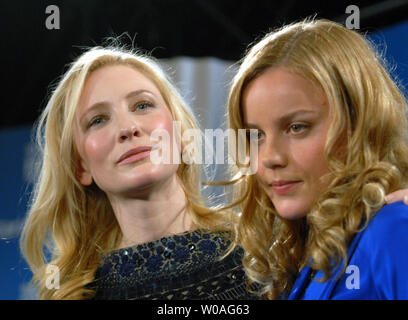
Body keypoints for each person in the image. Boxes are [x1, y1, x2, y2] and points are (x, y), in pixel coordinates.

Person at [20, 46, 254, 300]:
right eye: (97, 120)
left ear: (181, 135)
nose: (128, 127)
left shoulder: (261, 255)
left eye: (143, 105)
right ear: (81, 167)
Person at [226, 18, 408, 299]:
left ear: (359, 123)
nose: (269, 158)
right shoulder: (302, 254)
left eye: (297, 127)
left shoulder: (394, 230)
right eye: (255, 136)